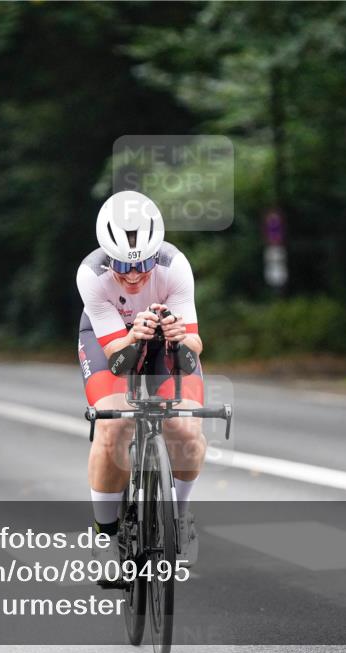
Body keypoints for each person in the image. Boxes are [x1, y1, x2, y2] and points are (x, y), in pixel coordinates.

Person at [77, 190, 206, 567]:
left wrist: (179, 336)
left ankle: (180, 519)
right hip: (111, 343)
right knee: (114, 426)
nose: (133, 275)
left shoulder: (175, 266)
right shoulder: (91, 275)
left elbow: (194, 346)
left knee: (186, 429)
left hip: (166, 339)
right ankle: (106, 535)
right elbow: (118, 360)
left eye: (143, 263)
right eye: (122, 265)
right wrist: (133, 335)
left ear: (157, 252)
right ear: (107, 256)